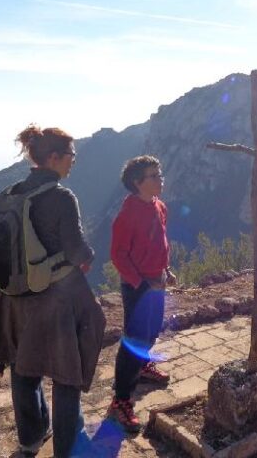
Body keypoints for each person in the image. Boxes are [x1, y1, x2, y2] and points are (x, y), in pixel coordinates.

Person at [0, 124, 105, 458]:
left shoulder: (13, 191)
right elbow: (75, 249)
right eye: (71, 155)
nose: (73, 161)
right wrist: (88, 258)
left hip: (13, 299)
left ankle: (30, 439)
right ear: (55, 157)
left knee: (24, 367)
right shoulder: (60, 196)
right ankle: (69, 447)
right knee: (66, 374)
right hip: (54, 300)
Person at [107, 155, 177, 433]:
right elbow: (118, 254)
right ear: (137, 183)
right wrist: (139, 283)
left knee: (151, 331)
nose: (161, 179)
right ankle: (121, 400)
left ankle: (143, 367)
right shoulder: (127, 214)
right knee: (133, 340)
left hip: (156, 282)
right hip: (138, 287)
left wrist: (166, 270)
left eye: (160, 174)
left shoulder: (159, 206)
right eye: (154, 176)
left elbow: (161, 243)